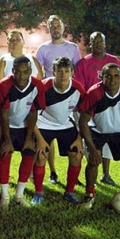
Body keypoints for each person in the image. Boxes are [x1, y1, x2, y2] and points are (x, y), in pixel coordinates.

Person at [78, 63, 120, 209]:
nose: (112, 80)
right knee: (93, 162)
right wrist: (92, 149)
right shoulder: (94, 93)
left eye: (116, 76)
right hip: (97, 131)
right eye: (108, 76)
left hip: (119, 133)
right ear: (101, 77)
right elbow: (83, 121)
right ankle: (89, 195)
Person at [74, 31, 120, 187]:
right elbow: (80, 88)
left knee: (109, 140)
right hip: (90, 109)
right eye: (94, 42)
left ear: (105, 43)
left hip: (111, 107)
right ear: (90, 44)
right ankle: (91, 178)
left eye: (100, 42)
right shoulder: (83, 63)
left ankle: (106, 174)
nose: (98, 44)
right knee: (91, 143)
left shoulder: (114, 61)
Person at [0, 56, 45, 209]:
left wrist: (29, 138)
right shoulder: (4, 85)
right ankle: (5, 196)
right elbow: (3, 115)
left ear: (30, 71)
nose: (21, 76)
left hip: (24, 127)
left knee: (29, 153)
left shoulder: (37, 86)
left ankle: (19, 195)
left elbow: (33, 112)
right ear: (13, 71)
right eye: (18, 72)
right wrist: (7, 141)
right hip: (5, 126)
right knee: (5, 154)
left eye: (25, 72)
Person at [35, 15, 81, 184]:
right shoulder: (43, 49)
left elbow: (78, 70)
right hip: (49, 96)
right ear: (48, 29)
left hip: (68, 96)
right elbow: (38, 72)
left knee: (71, 136)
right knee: (47, 137)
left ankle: (73, 179)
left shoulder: (73, 47)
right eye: (52, 26)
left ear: (63, 27)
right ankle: (52, 171)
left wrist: (75, 92)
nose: (55, 28)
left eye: (58, 25)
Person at [33, 57, 85, 205]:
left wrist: (79, 138)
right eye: (59, 71)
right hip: (43, 124)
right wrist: (40, 139)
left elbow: (83, 115)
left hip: (65, 125)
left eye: (66, 71)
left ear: (72, 73)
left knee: (76, 154)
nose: (63, 75)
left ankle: (69, 192)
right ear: (53, 72)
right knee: (41, 155)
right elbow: (31, 115)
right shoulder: (43, 87)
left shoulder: (78, 89)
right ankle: (38, 193)